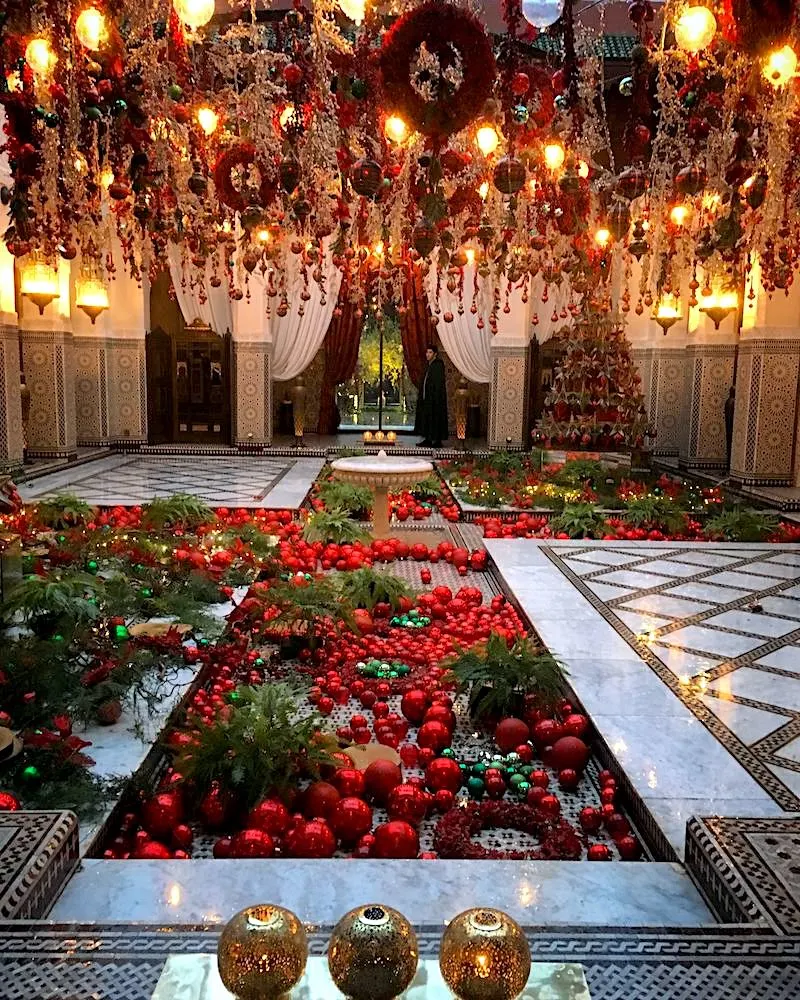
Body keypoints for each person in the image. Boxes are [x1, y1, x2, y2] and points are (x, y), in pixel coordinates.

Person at [415, 344, 448, 448]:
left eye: (430, 353)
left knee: (436, 417)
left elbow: (437, 383)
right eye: (427, 352)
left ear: (435, 354)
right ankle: (428, 439)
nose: (427, 355)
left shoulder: (438, 365)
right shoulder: (429, 365)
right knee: (428, 418)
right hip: (428, 399)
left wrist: (434, 397)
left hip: (435, 399)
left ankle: (437, 440)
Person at [724, 385, 735, 468]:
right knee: (730, 445)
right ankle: (729, 463)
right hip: (731, 427)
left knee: (729, 444)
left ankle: (729, 462)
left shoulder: (728, 401)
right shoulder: (733, 402)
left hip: (728, 426)